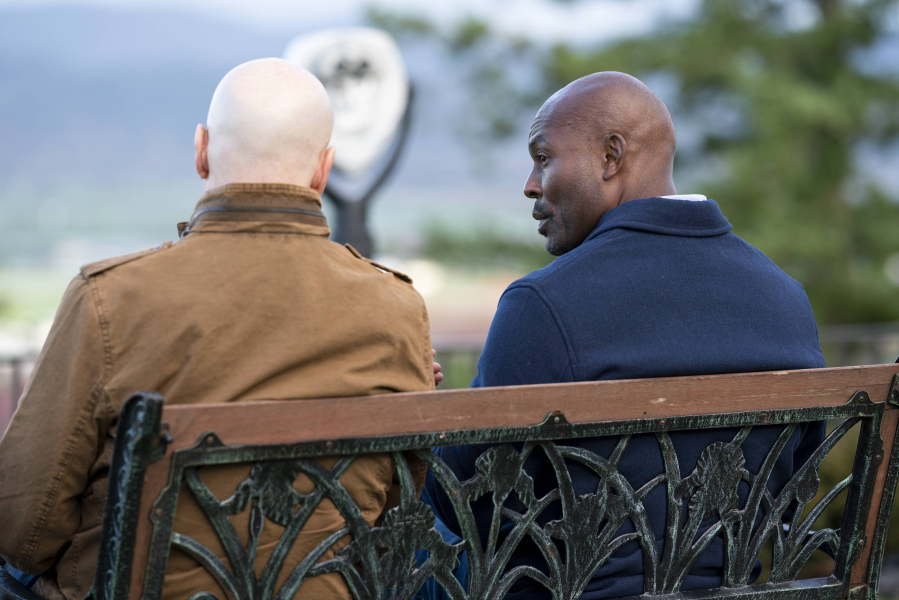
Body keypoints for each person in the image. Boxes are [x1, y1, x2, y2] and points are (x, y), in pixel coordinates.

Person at [0, 58, 440, 600]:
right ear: (323, 170)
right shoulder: (398, 309)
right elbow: (396, 513)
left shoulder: (109, 299)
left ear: (202, 150)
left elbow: (23, 530)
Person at [423, 72, 826, 599]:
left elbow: (467, 501)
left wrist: (419, 410)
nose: (530, 184)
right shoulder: (787, 299)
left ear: (611, 157)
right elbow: (796, 485)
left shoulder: (544, 305)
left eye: (543, 158)